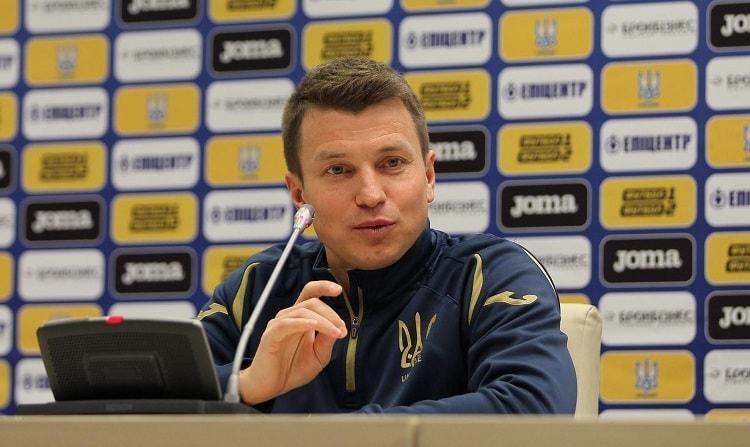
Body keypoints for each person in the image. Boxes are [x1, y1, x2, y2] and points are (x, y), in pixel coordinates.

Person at [197, 57, 577, 414]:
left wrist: (323, 436)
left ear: (428, 176)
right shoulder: (258, 286)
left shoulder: (487, 274)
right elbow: (162, 398)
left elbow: (532, 407)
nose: (371, 195)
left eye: (392, 163)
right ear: (299, 193)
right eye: (338, 170)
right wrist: (246, 385)